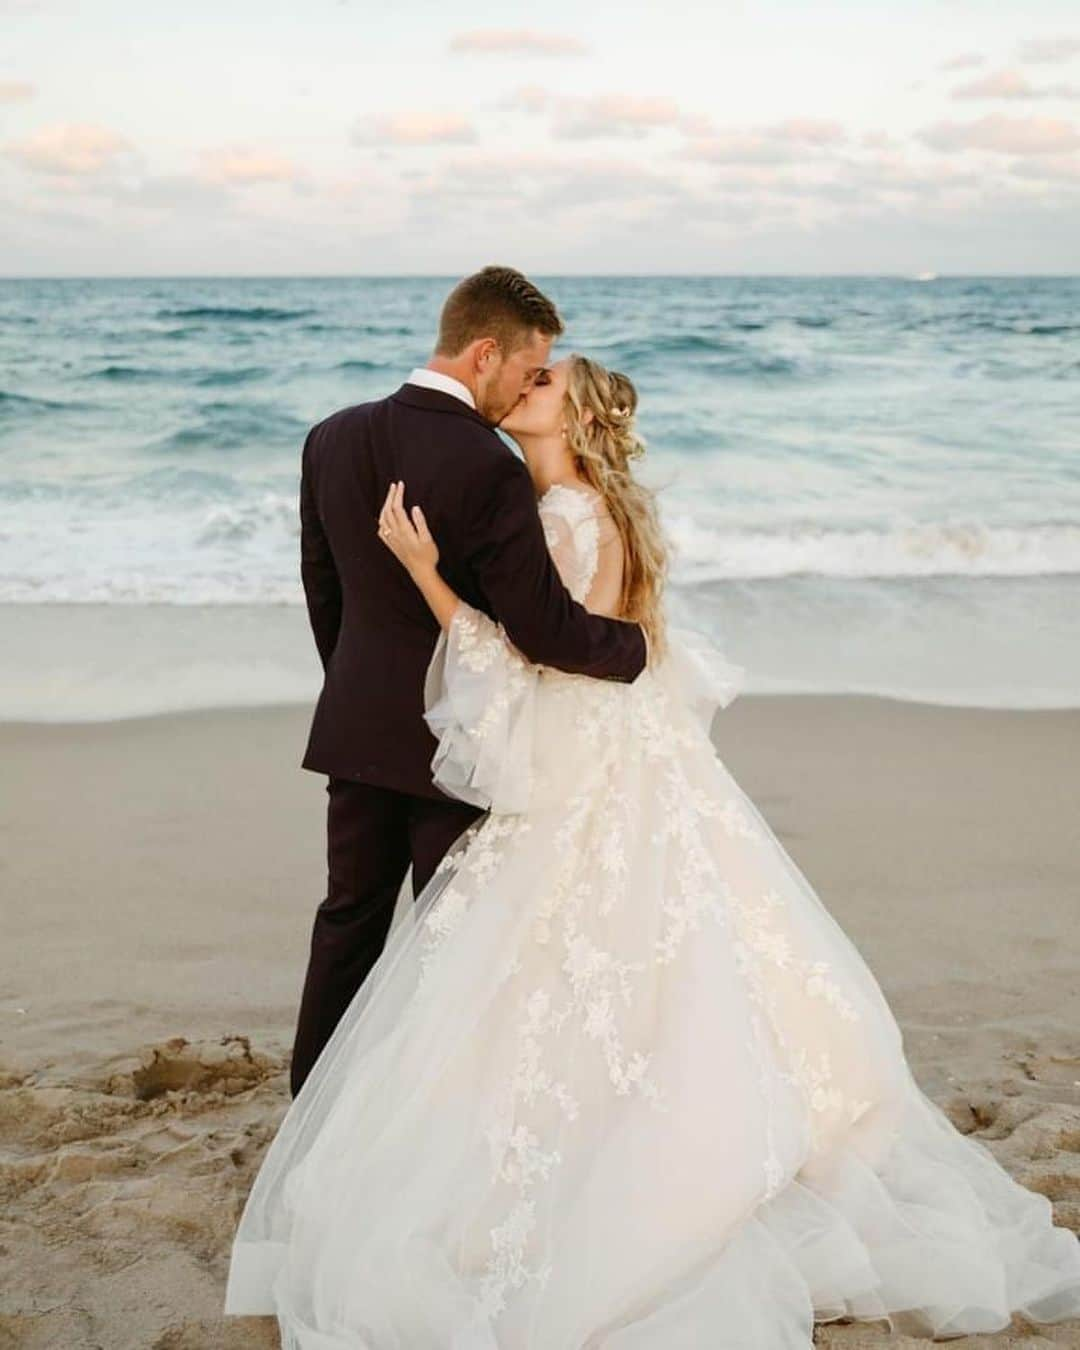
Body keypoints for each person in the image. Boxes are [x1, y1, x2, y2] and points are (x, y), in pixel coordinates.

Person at [225, 354, 1080, 1347]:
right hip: (627, 755)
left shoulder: (558, 516)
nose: (520, 393)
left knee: (546, 958)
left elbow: (526, 654)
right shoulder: (598, 506)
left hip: (583, 763)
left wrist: (423, 574)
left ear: (576, 418)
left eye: (543, 387)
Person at [288, 266, 646, 1099]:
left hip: (360, 729)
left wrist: (361, 693)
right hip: (462, 741)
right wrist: (631, 654)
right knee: (451, 941)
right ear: (486, 353)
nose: (527, 387)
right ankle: (430, 1113)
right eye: (527, 370)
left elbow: (324, 592)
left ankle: (312, 1109)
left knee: (347, 922)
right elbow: (542, 629)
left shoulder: (329, 436)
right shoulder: (488, 466)